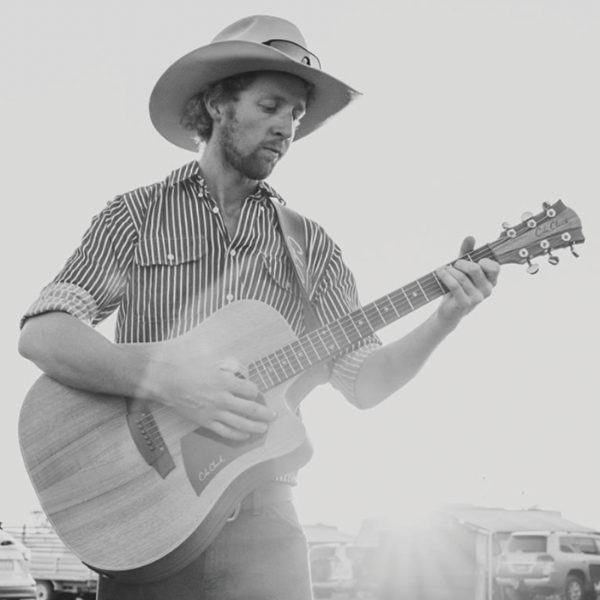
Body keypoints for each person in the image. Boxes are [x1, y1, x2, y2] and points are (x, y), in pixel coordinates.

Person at [18, 14, 500, 600]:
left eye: (296, 114)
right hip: (147, 521)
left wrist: (445, 318)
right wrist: (170, 381)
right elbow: (44, 334)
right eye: (271, 106)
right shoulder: (136, 216)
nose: (286, 128)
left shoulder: (310, 245)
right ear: (218, 103)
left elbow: (365, 384)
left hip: (265, 526)